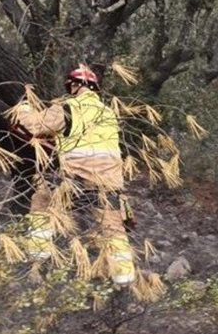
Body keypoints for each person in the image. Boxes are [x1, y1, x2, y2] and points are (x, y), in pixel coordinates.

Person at [12, 66, 135, 285]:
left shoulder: (68, 108)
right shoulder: (108, 112)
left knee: (42, 198)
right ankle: (124, 279)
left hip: (77, 181)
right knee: (115, 230)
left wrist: (22, 108)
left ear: (74, 86)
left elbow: (33, 126)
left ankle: (37, 254)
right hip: (111, 185)